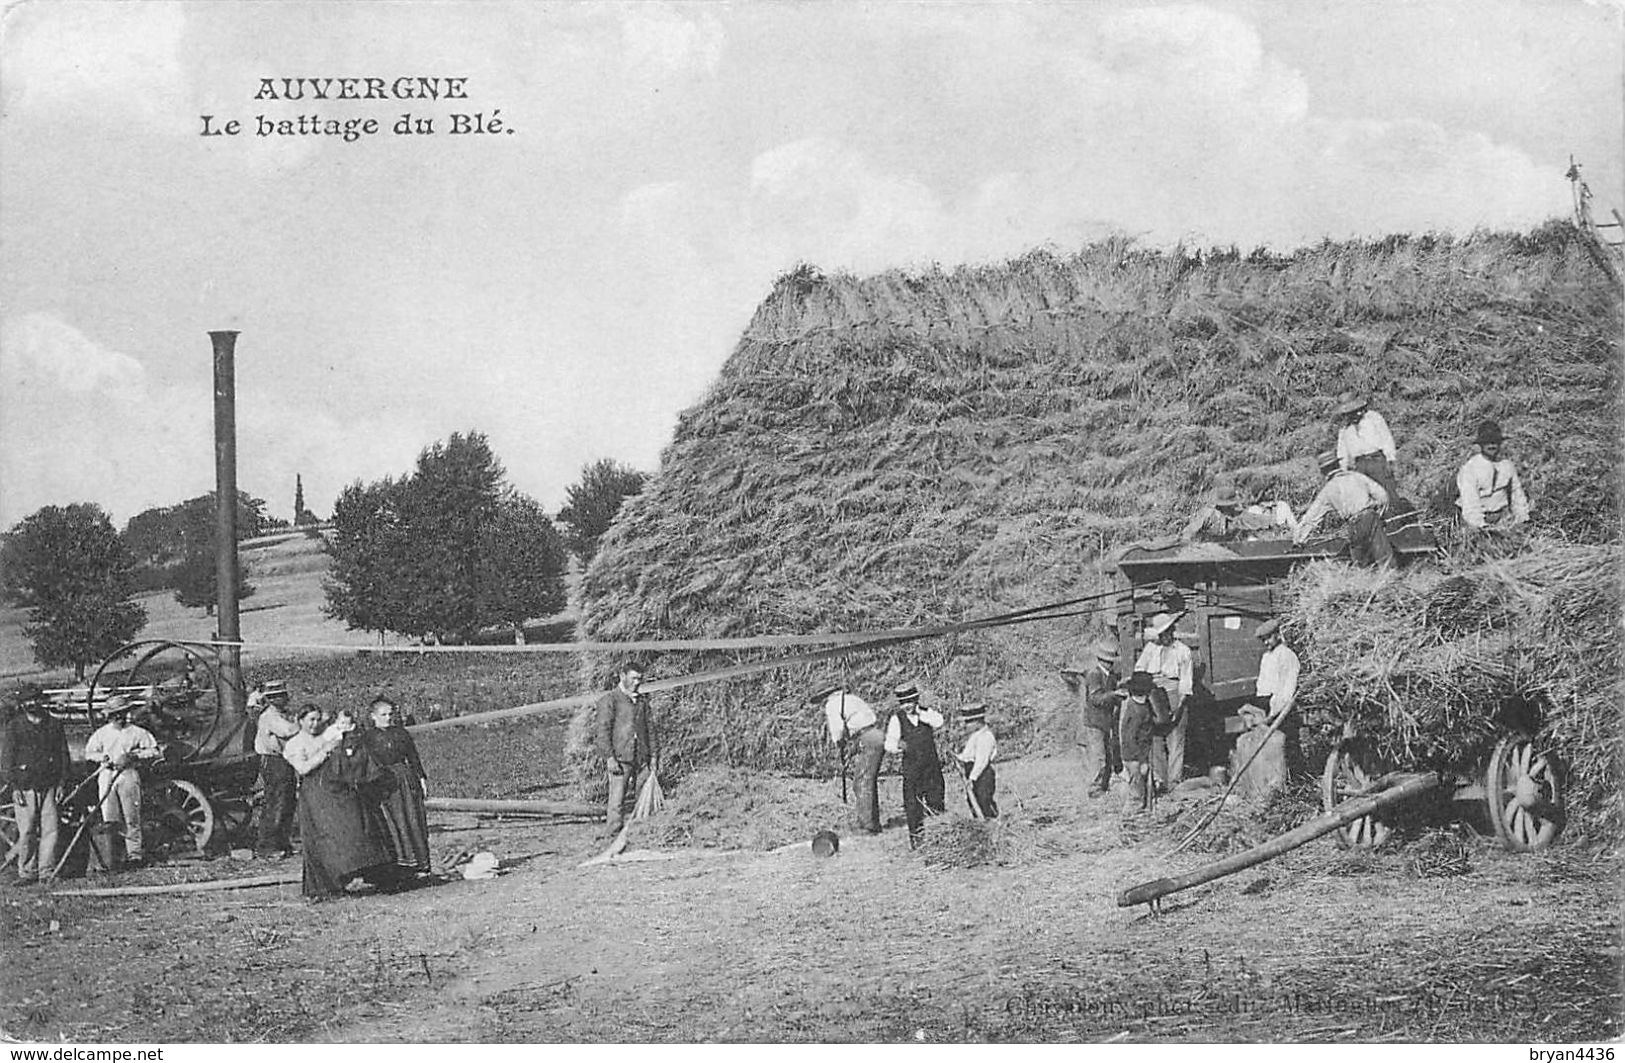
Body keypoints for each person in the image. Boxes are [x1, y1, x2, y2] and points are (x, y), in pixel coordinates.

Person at [283, 705, 402, 900]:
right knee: (325, 837)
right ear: (300, 721)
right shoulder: (295, 744)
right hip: (314, 796)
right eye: (310, 720)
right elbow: (303, 768)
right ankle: (328, 884)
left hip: (334, 790)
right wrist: (325, 752)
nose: (314, 724)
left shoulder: (326, 736)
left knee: (352, 829)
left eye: (317, 720)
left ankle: (370, 872)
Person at [82, 695, 161, 868]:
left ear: (127, 713)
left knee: (131, 816)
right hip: (107, 775)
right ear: (108, 716)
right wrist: (103, 758)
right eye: (114, 714)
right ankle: (114, 855)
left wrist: (134, 755)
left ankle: (134, 855)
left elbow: (154, 751)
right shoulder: (101, 734)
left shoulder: (137, 732)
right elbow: (89, 753)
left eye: (121, 713)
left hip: (128, 775)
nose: (118, 717)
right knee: (110, 817)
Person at [1, 687, 70, 884]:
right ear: (22, 704)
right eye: (27, 701)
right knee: (27, 830)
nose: (32, 704)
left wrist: (62, 784)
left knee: (51, 830)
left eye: (35, 700)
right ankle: (27, 872)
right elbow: (7, 760)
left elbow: (63, 756)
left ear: (41, 701)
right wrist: (14, 787)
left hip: (49, 785)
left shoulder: (54, 725)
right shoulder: (15, 727)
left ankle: (46, 871)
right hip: (25, 787)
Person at [361, 695, 431, 873]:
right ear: (373, 716)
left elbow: (413, 757)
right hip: (384, 782)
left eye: (390, 714)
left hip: (406, 780)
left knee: (413, 819)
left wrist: (421, 778)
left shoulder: (401, 733)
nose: (388, 718)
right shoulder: (367, 738)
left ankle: (421, 863)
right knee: (394, 822)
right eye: (383, 715)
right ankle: (401, 864)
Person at [1294, 450, 1394, 568]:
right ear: (1338, 464)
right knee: (1386, 561)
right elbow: (1383, 497)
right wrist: (1379, 515)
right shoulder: (1358, 477)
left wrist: (1299, 540)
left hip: (1355, 525)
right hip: (1372, 518)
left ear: (1324, 471)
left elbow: (1311, 519)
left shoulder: (1328, 490)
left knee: (1362, 567)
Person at [1237, 618, 1303, 783]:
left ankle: (1297, 781)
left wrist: (1273, 713)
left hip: (1282, 707)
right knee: (1268, 747)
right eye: (1263, 640)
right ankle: (1273, 781)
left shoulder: (1288, 656)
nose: (1266, 642)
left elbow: (1287, 689)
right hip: (1267, 704)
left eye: (1268, 638)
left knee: (1288, 745)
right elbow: (1262, 685)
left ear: (1277, 635)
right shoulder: (1266, 657)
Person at [1134, 612, 1193, 791]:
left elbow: (1186, 681)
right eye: (1161, 634)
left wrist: (1180, 706)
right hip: (1155, 697)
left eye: (1167, 632)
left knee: (1175, 740)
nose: (1164, 637)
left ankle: (1174, 783)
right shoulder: (1151, 649)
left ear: (1172, 630)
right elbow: (1139, 670)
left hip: (1175, 695)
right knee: (1155, 740)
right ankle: (1160, 781)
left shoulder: (1183, 651)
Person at [814, 684, 884, 834]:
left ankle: (868, 826)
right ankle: (871, 821)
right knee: (867, 779)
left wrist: (839, 742)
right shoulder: (852, 699)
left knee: (862, 781)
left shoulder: (832, 704)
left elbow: (837, 729)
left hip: (867, 737)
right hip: (875, 734)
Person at [883, 681, 945, 847]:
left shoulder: (927, 714)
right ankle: (917, 842)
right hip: (912, 769)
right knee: (913, 805)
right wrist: (898, 745)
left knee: (936, 800)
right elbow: (889, 744)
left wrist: (920, 714)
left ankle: (939, 838)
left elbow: (939, 722)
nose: (907, 706)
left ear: (916, 700)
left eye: (910, 702)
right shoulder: (897, 719)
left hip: (931, 766)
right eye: (903, 703)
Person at [594, 665, 654, 835]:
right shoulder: (610, 700)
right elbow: (602, 732)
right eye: (633, 678)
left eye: (639, 679)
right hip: (620, 757)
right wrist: (610, 758)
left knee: (642, 797)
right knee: (617, 799)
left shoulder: (642, 701)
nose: (637, 683)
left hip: (641, 756)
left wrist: (654, 756)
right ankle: (612, 833)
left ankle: (640, 831)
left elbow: (650, 730)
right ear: (622, 676)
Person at [1062, 639, 1123, 798]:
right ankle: (1095, 789)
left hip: (1104, 721)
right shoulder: (1095, 675)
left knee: (1107, 756)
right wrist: (1114, 695)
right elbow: (1095, 698)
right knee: (1099, 757)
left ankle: (1103, 786)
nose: (1111, 664)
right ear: (1104, 661)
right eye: (1110, 661)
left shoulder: (1109, 676)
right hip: (1095, 722)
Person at [252, 679, 300, 859]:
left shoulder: (280, 714)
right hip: (273, 761)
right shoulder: (270, 717)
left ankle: (282, 842)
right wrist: (302, 723)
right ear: (272, 699)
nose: (284, 699)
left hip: (282, 760)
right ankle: (267, 846)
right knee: (276, 802)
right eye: (279, 697)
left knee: (287, 802)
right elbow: (288, 731)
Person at [1456, 421, 1530, 531]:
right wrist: (1480, 526)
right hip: (1475, 521)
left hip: (1501, 518)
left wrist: (1522, 518)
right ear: (1481, 444)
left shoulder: (1507, 466)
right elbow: (1470, 503)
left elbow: (1517, 495)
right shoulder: (1470, 469)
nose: (1492, 445)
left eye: (1495, 441)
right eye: (1487, 441)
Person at [1334, 392, 1403, 504]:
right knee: (1366, 497)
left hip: (1377, 461)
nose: (1352, 415)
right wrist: (1344, 471)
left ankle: (1397, 518)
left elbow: (1387, 439)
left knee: (1388, 492)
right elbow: (1342, 453)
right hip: (1359, 466)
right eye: (1348, 413)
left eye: (1353, 411)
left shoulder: (1373, 418)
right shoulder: (1344, 429)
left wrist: (1390, 460)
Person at [1180, 481, 1296, 543]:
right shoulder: (1207, 514)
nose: (1231, 508)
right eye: (1227, 506)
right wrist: (1188, 542)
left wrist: (1273, 523)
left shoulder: (1237, 514)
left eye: (1232, 506)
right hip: (1206, 548)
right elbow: (1189, 530)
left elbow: (1254, 520)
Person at [1118, 672, 1157, 815]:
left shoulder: (1136, 705)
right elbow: (1130, 737)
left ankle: (1129, 811)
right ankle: (1131, 815)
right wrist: (1141, 761)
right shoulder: (1137, 711)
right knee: (1137, 791)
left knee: (1134, 784)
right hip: (1134, 756)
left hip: (1133, 755)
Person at [954, 704, 998, 819]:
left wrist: (972, 777)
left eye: (969, 722)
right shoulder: (975, 736)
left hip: (983, 774)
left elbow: (981, 761)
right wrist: (958, 758)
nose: (966, 725)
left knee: (984, 799)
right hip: (973, 772)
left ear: (978, 722)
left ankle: (990, 822)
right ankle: (979, 822)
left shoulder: (986, 737)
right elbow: (967, 754)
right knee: (973, 800)